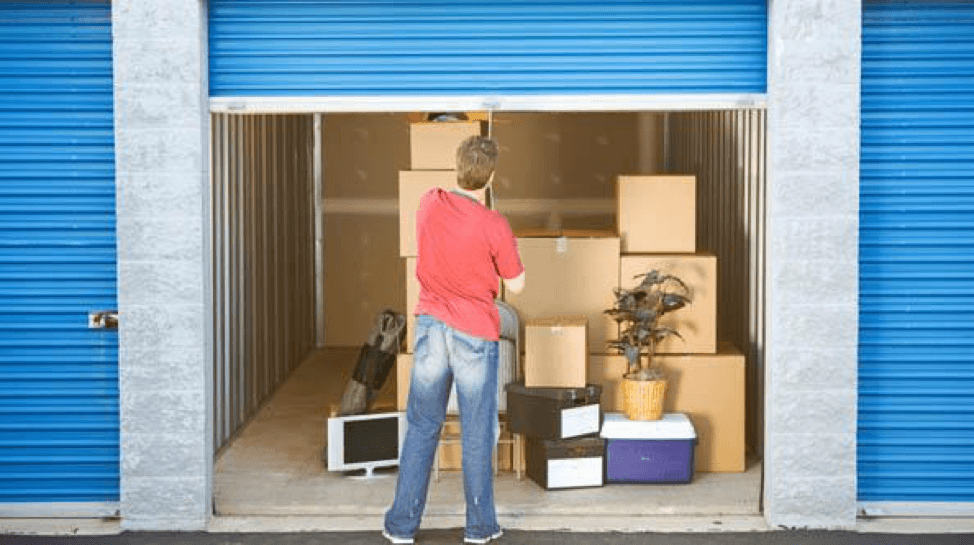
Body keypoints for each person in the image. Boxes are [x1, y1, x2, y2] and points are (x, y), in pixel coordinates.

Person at [383, 135, 525, 544]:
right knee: (478, 430)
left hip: (430, 327)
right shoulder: (494, 224)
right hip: (474, 335)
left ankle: (401, 527)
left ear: (457, 167)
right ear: (492, 176)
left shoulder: (429, 202)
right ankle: (479, 528)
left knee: (422, 425)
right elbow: (515, 285)